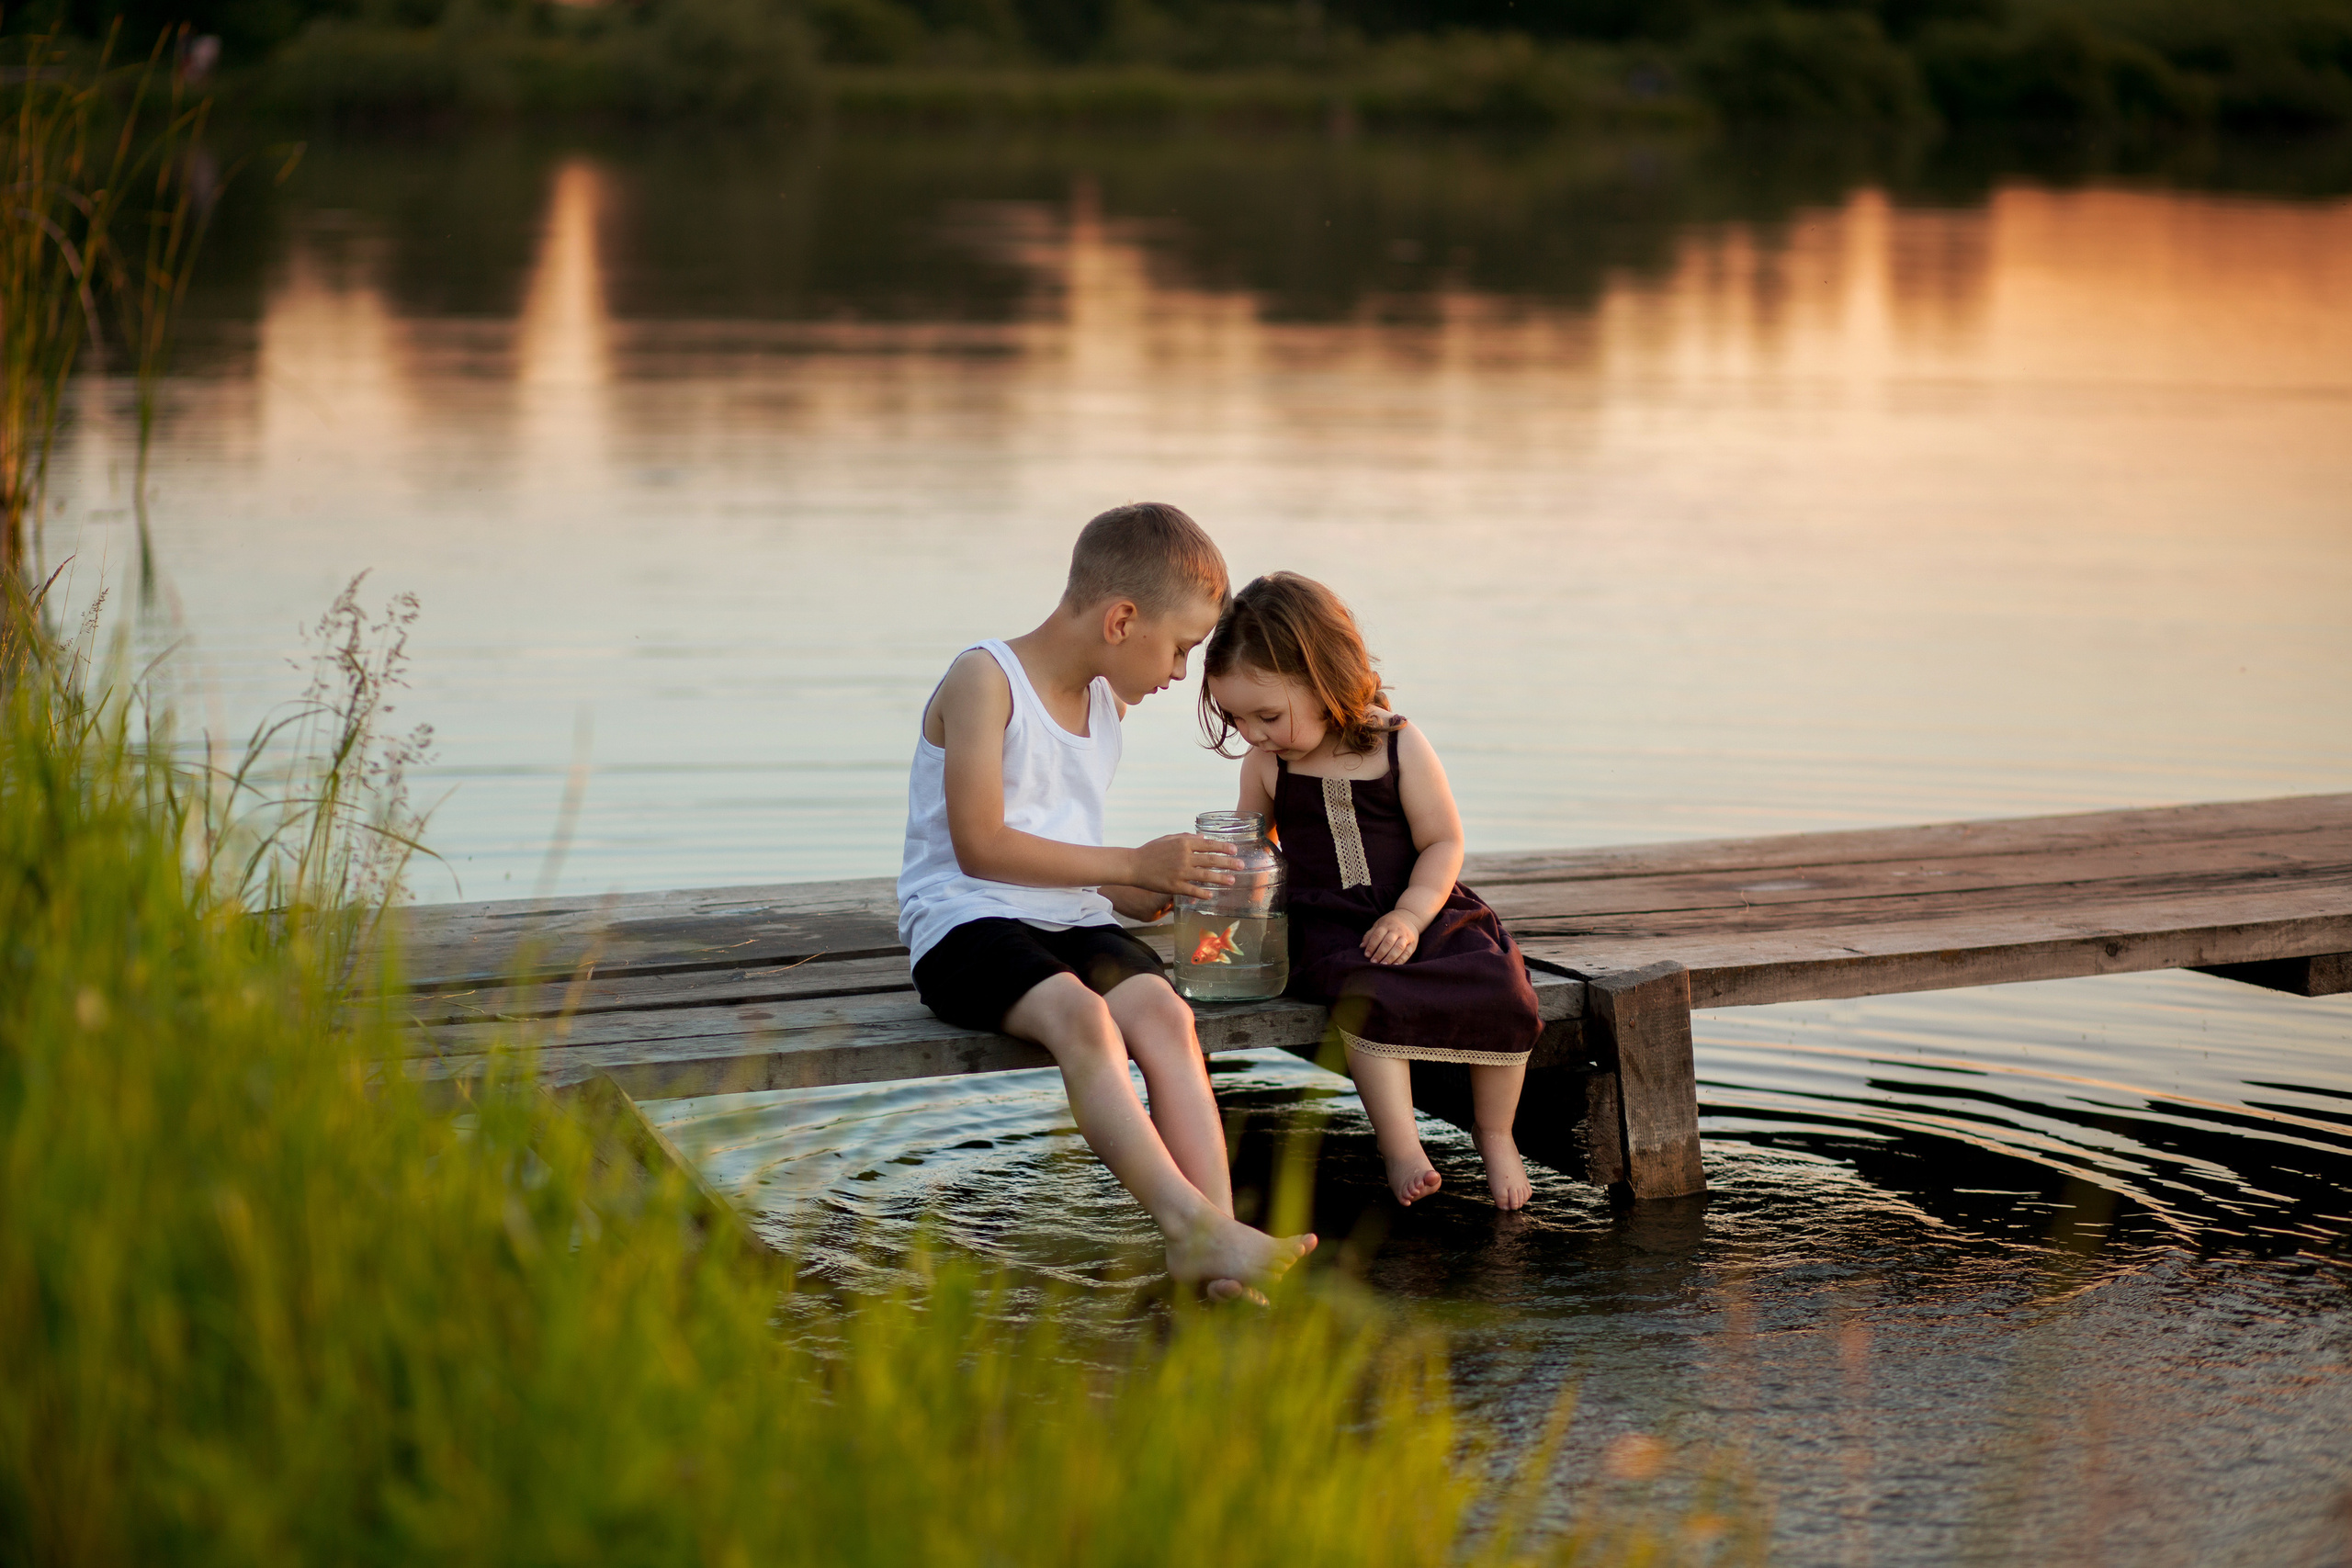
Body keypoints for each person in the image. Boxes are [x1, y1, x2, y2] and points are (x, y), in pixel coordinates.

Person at [899, 502, 1318, 1297]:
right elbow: (981, 844)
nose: (1179, 672)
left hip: (1066, 916)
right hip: (963, 921)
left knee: (1166, 1016)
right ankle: (1190, 1227)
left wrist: (1150, 886)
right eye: (1182, 648)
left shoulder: (1102, 705)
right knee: (1087, 1019)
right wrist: (1131, 858)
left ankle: (1214, 1249)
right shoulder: (985, 680)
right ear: (1123, 619)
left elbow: (1070, 850)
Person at [1200, 572, 1544, 1210]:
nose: (1251, 733)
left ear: (1324, 677)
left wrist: (1413, 914)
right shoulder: (1268, 763)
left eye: (1267, 715)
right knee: (1365, 992)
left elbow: (1442, 841)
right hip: (1328, 922)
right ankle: (1400, 1145)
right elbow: (1254, 845)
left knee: (1502, 984)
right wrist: (1216, 881)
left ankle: (1495, 1133)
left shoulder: (1398, 742)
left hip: (1418, 904)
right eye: (1236, 718)